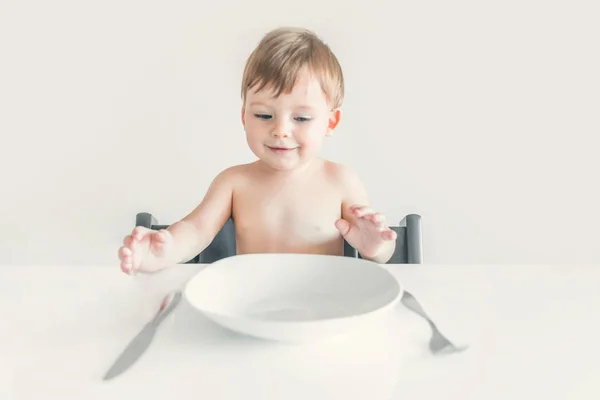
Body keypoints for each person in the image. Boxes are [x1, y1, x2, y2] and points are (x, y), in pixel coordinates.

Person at [118, 27, 397, 275]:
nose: (281, 130)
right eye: (264, 115)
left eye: (300, 118)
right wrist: (165, 251)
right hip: (252, 308)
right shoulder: (234, 182)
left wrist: (374, 247)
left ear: (330, 122)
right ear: (244, 117)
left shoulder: (340, 181)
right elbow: (196, 230)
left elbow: (383, 255)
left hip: (323, 309)